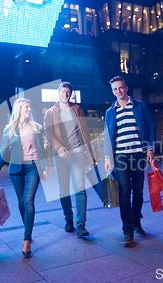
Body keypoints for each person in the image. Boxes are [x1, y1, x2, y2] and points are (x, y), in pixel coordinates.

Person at [0, 98, 48, 258]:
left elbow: (42, 149)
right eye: (26, 107)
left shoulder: (37, 127)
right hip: (15, 169)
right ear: (19, 110)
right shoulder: (10, 129)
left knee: (28, 200)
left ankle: (26, 239)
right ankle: (28, 227)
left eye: (30, 107)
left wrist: (45, 166)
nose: (29, 110)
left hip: (33, 167)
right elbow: (3, 152)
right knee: (21, 201)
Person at [104, 76, 155, 246]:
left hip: (138, 155)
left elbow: (151, 126)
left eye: (121, 87)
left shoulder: (139, 105)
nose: (118, 91)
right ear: (112, 91)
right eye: (115, 89)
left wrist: (150, 148)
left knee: (138, 191)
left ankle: (136, 221)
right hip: (120, 156)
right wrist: (107, 157)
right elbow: (107, 136)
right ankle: (127, 228)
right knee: (124, 190)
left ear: (126, 88)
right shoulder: (110, 111)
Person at [44, 82, 96, 238]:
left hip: (78, 153)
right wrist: (59, 147)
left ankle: (81, 225)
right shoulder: (51, 112)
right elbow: (48, 132)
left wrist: (90, 154)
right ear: (58, 93)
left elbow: (85, 132)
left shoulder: (77, 110)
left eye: (68, 92)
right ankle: (69, 220)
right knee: (63, 190)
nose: (66, 94)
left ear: (71, 94)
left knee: (80, 188)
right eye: (63, 91)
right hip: (60, 156)